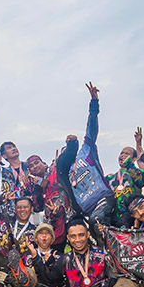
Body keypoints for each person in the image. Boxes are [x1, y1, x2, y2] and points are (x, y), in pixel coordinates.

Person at [55, 83, 114, 227]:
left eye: (66, 150)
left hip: (103, 198)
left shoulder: (85, 151)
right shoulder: (64, 173)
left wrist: (94, 104)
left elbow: (91, 129)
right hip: (85, 211)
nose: (65, 153)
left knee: (96, 221)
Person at [23, 223, 64, 287]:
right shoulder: (26, 256)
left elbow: (53, 278)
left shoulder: (59, 256)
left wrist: (50, 263)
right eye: (41, 233)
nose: (44, 236)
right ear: (36, 238)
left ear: (52, 238)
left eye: (47, 233)